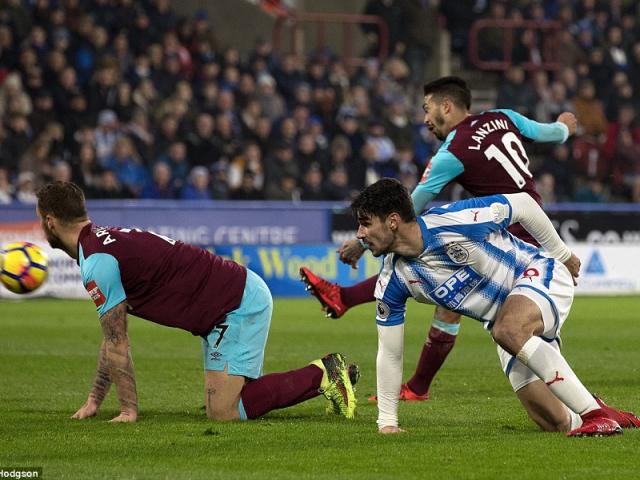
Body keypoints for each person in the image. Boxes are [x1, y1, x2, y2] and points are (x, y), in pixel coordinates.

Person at [301, 76, 577, 402]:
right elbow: (548, 134)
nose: (425, 119)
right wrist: (564, 127)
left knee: (459, 294)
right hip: (536, 229)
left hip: (508, 246)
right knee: (451, 300)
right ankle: (416, 383)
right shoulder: (505, 117)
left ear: (446, 105)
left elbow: (409, 208)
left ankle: (580, 402)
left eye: (427, 109)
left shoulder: (453, 151)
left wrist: (362, 243)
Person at [35, 181, 358, 423]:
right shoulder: (103, 243)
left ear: (50, 221)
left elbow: (117, 340)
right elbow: (112, 339)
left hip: (236, 304)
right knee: (222, 402)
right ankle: (324, 376)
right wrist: (94, 399)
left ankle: (325, 374)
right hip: (221, 306)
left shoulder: (97, 260)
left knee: (224, 412)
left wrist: (128, 410)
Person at [353, 178, 640, 436]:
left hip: (539, 274)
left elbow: (524, 204)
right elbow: (390, 353)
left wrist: (561, 253)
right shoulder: (392, 280)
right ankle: (601, 411)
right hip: (505, 324)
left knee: (508, 329)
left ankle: (596, 416)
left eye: (365, 223)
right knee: (555, 422)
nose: (359, 234)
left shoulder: (455, 220)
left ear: (392, 221)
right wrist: (387, 422)